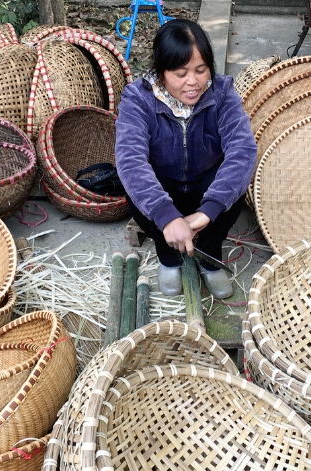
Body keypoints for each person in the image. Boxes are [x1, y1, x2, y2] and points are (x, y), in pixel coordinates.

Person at [115, 19, 257, 299]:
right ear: (161, 71)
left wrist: (209, 211)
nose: (193, 81)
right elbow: (130, 159)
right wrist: (167, 217)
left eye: (201, 70)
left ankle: (208, 255)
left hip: (206, 186)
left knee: (232, 186)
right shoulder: (137, 99)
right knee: (137, 188)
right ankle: (167, 255)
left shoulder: (222, 93)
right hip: (164, 186)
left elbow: (243, 150)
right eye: (180, 73)